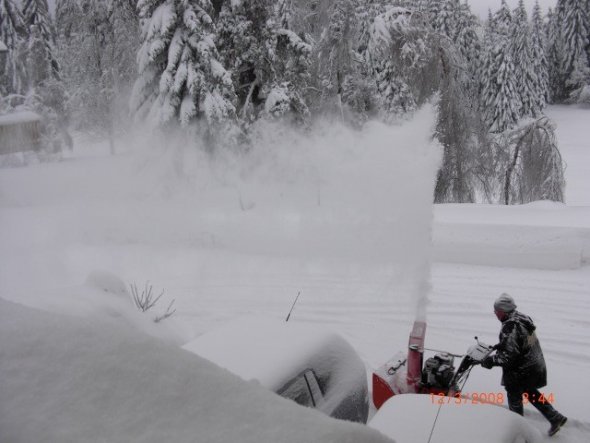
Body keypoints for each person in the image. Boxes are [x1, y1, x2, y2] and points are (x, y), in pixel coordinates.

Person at [481, 293, 567, 437]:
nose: (495, 313)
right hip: (533, 364)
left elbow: (509, 358)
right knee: (530, 392)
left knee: (514, 398)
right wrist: (502, 345)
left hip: (520, 370)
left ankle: (517, 433)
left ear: (503, 310)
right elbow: (522, 343)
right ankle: (554, 417)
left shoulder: (510, 326)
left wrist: (490, 361)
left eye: (496, 310)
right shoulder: (522, 318)